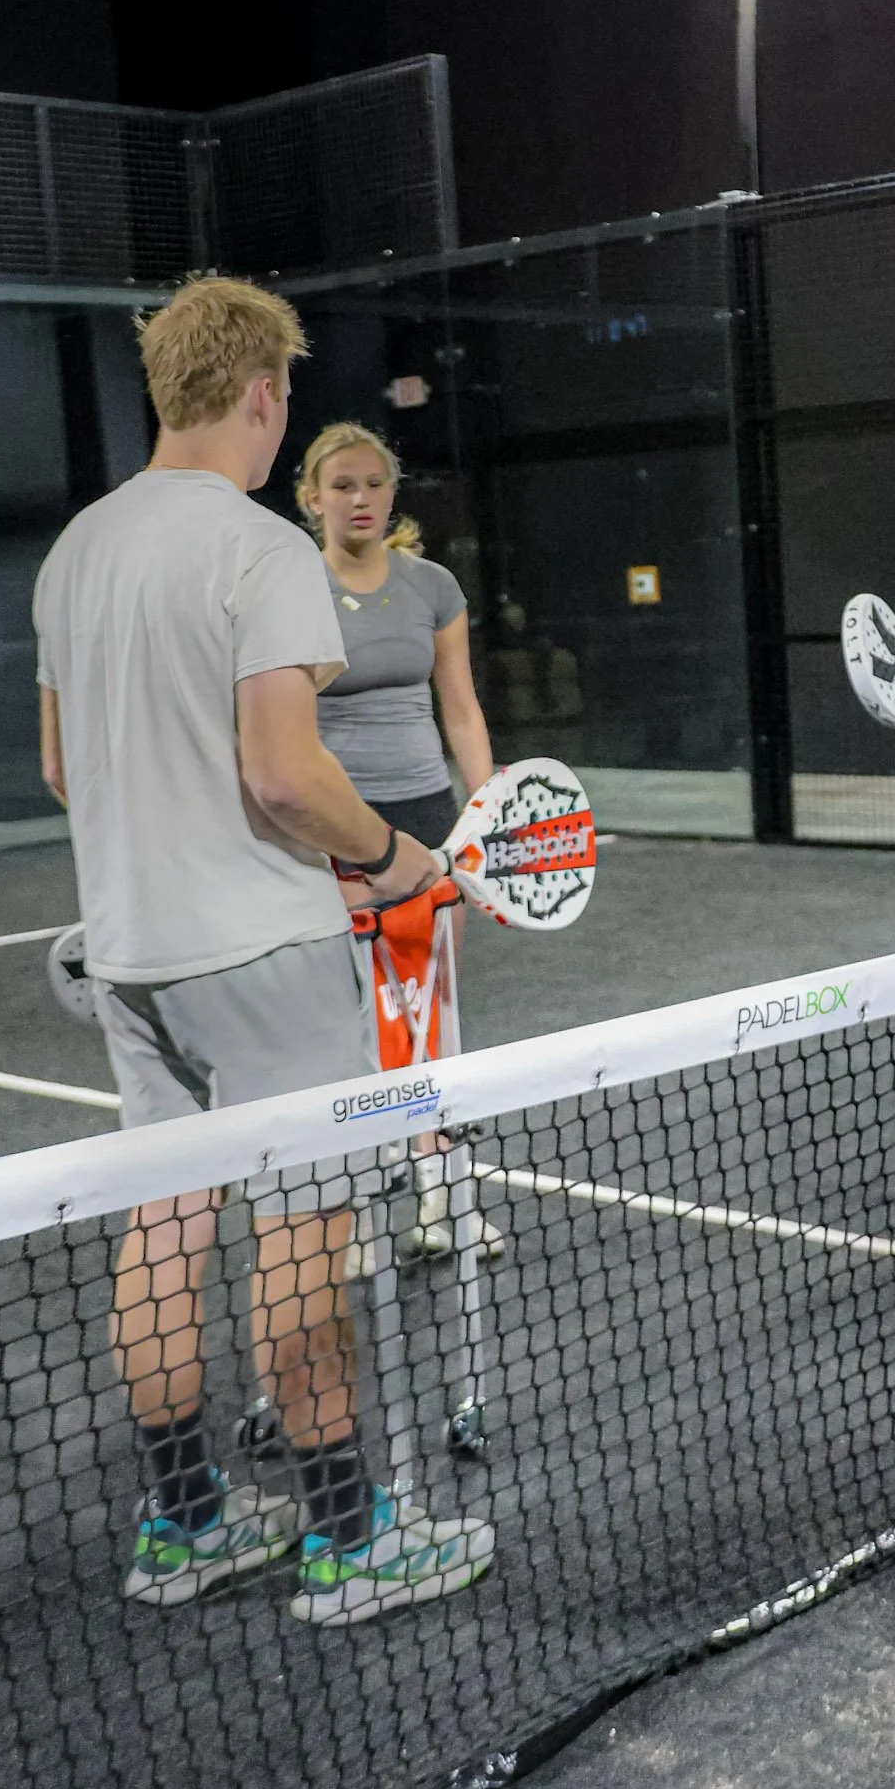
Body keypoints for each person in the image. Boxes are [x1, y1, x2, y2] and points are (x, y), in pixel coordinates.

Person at [34, 276, 494, 1625]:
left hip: (129, 959)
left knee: (164, 1229)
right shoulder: (260, 551)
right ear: (261, 397)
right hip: (264, 955)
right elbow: (288, 777)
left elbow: (66, 769)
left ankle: (181, 1521)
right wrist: (398, 860)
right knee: (306, 1228)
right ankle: (349, 1539)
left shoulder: (76, 553)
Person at [297, 421, 498, 1258]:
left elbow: (460, 709)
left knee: (431, 1012)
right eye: (341, 486)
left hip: (428, 818)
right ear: (311, 498)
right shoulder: (289, 591)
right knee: (350, 1017)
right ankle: (357, 1208)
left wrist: (486, 819)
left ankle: (445, 1200)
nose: (360, 499)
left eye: (373, 484)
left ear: (391, 492)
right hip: (335, 828)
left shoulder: (433, 586)